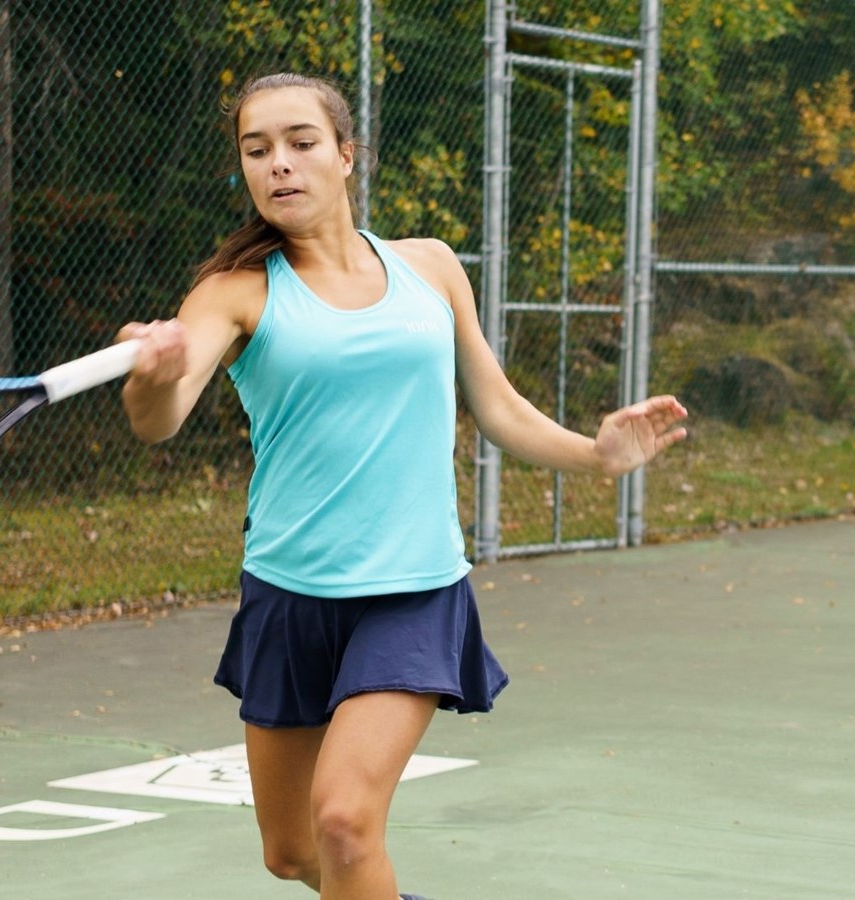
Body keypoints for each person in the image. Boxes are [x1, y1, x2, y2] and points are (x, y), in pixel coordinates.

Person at [116, 72, 688, 900]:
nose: (280, 163)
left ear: (346, 155)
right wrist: (151, 376)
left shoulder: (431, 267)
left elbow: (497, 407)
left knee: (346, 823)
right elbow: (158, 418)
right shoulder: (233, 293)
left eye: (301, 143)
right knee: (293, 853)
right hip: (288, 595)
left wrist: (596, 457)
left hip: (412, 590)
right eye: (257, 149)